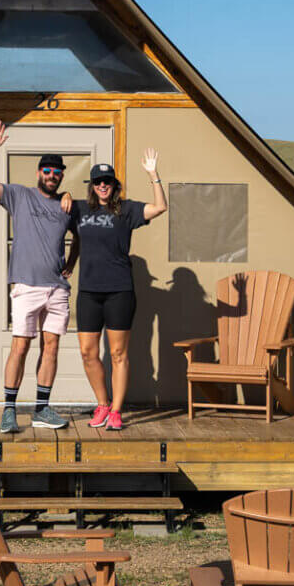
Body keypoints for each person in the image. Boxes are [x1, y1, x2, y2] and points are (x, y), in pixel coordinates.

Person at [0, 121, 78, 433]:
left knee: (51, 348)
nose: (52, 175)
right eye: (47, 171)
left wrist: (71, 263)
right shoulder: (19, 196)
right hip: (26, 286)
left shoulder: (68, 205)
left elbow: (81, 237)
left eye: (57, 172)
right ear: (39, 173)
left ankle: (42, 409)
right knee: (20, 347)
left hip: (57, 289)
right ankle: (9, 410)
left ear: (62, 175)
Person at [64, 151, 167, 430]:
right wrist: (64, 194)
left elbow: (160, 207)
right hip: (89, 292)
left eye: (108, 181)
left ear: (115, 185)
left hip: (119, 291)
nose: (103, 186)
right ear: (93, 185)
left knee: (119, 353)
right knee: (88, 352)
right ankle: (102, 404)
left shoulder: (127, 210)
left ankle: (117, 412)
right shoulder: (80, 210)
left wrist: (152, 174)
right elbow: (75, 239)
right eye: (98, 181)